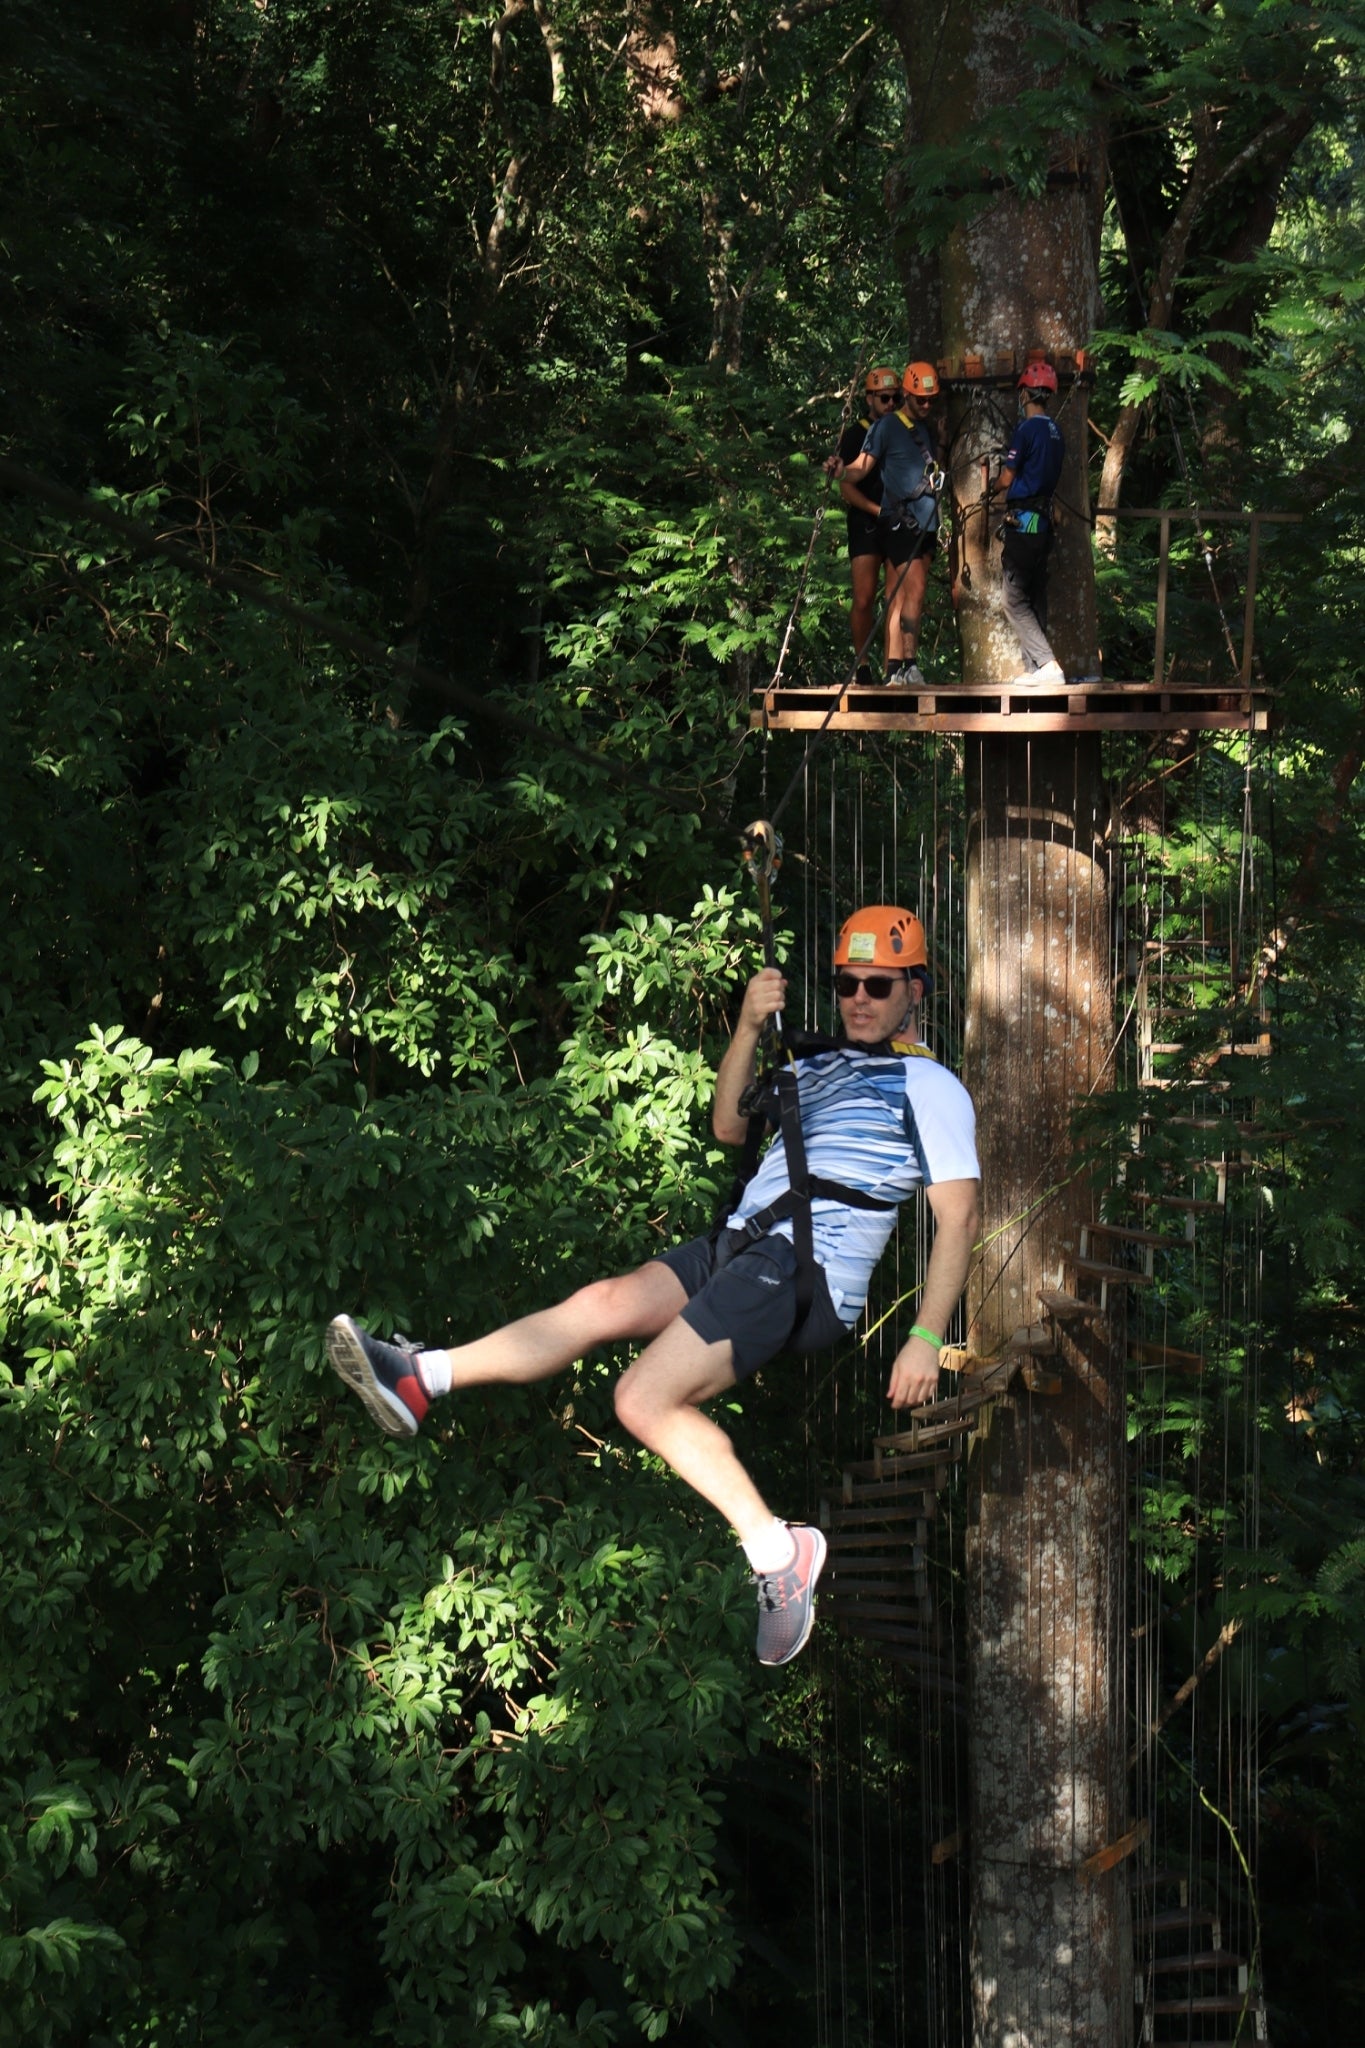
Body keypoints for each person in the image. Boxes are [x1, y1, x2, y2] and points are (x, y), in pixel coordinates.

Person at [327, 905, 981, 1670]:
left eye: (877, 983)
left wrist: (925, 1338)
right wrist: (744, 1027)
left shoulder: (930, 1086)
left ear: (916, 991)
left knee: (640, 1399)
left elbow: (959, 1219)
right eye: (846, 982)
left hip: (805, 1270)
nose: (859, 998)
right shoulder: (820, 1064)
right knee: (599, 1304)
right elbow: (728, 1128)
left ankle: (779, 1554)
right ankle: (420, 1378)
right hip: (743, 1245)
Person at [839, 362, 944, 686]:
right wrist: (839, 472)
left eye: (930, 400)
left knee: (903, 596)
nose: (926, 405)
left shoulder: (926, 429)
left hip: (923, 522)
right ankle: (886, 666)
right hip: (889, 521)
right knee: (875, 595)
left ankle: (895, 668)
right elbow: (857, 470)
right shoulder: (874, 430)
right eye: (920, 399)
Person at [828, 366, 903, 686]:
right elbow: (846, 486)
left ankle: (893, 669)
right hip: (866, 522)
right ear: (869, 398)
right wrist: (877, 510)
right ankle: (862, 666)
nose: (890, 404)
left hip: (898, 520)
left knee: (895, 599)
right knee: (863, 598)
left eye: (895, 398)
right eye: (884, 398)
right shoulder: (856, 434)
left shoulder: (902, 429)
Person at [996, 361, 1066, 685]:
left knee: (1011, 598)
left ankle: (1048, 664)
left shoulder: (1026, 430)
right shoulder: (1056, 432)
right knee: (1034, 595)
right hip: (1044, 524)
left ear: (1024, 393)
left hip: (1023, 522)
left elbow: (1008, 476)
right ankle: (1035, 670)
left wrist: (995, 483)